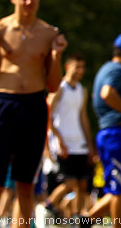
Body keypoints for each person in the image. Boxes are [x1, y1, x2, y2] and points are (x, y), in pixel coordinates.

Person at [0, 0, 67, 228]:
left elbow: (54, 85)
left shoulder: (48, 33)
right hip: (4, 104)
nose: (28, 2)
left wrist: (57, 56)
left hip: (35, 106)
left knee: (27, 184)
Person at [87, 32, 121, 228]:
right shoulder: (117, 70)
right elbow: (107, 93)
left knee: (118, 187)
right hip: (114, 134)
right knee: (119, 189)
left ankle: (86, 220)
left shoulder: (106, 68)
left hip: (110, 133)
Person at [44, 53, 95, 220]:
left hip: (78, 141)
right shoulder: (60, 87)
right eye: (77, 67)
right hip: (63, 141)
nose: (80, 71)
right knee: (69, 183)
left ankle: (77, 216)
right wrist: (57, 138)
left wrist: (89, 144)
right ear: (68, 67)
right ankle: (49, 205)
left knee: (82, 183)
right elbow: (47, 114)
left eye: (82, 67)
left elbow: (83, 117)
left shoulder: (82, 90)